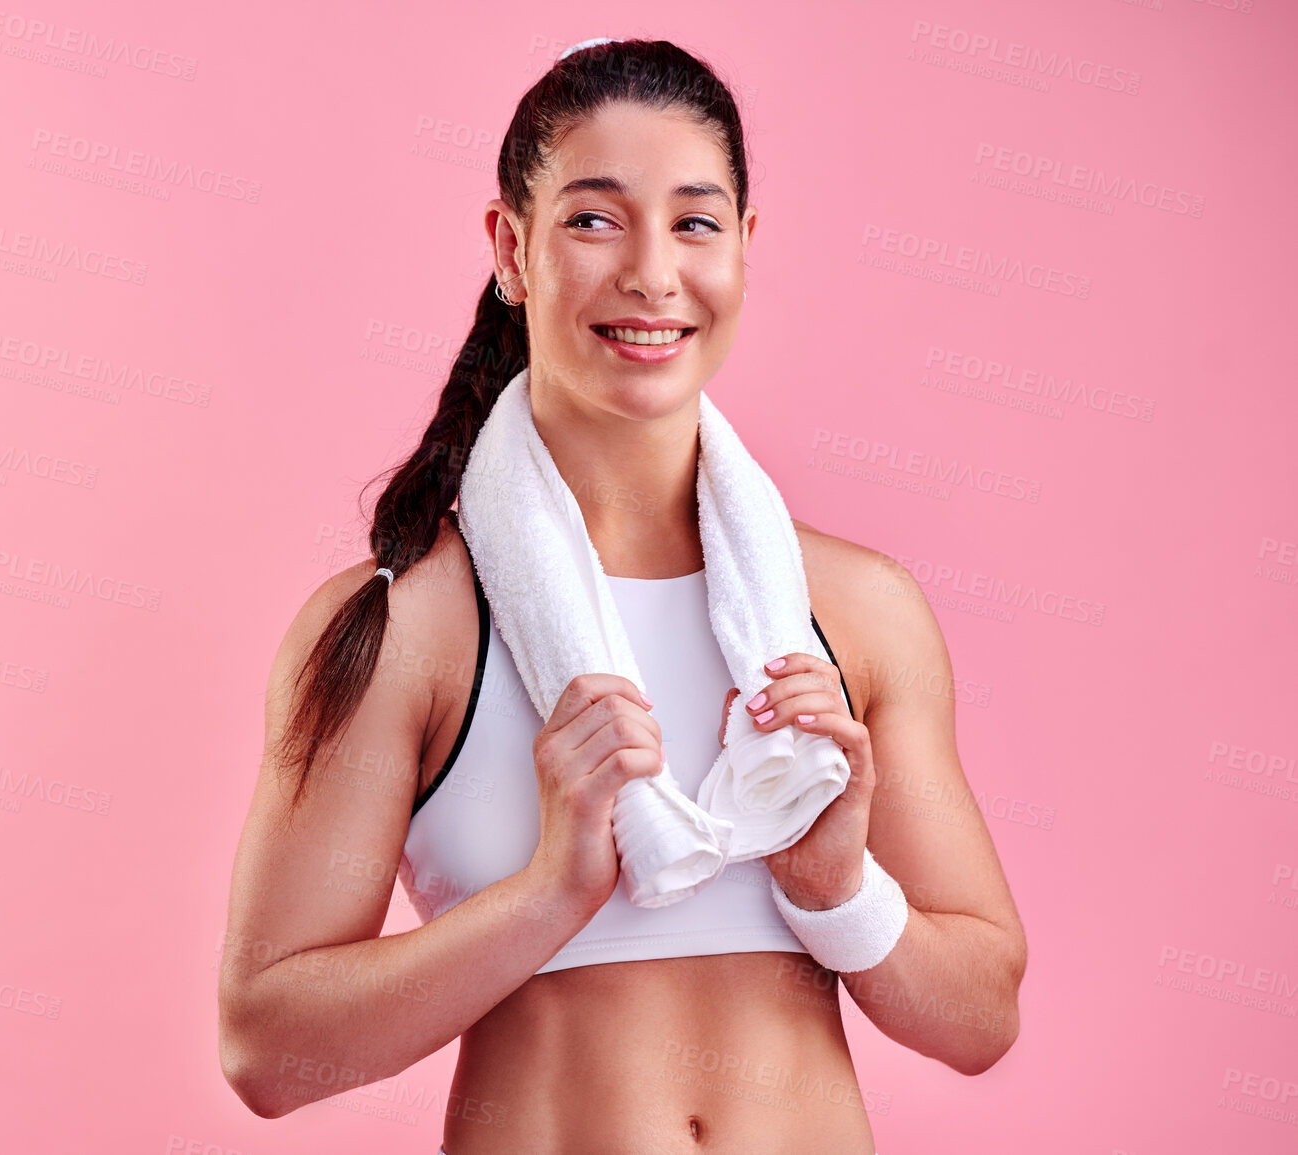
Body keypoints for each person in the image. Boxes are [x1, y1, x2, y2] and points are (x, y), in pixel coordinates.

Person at [217, 37, 1025, 1154]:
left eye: (695, 223)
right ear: (511, 247)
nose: (652, 274)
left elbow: (982, 1016)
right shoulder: (408, 626)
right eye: (594, 219)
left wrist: (839, 889)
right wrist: (551, 893)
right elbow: (267, 1049)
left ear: (744, 248)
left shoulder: (854, 613)